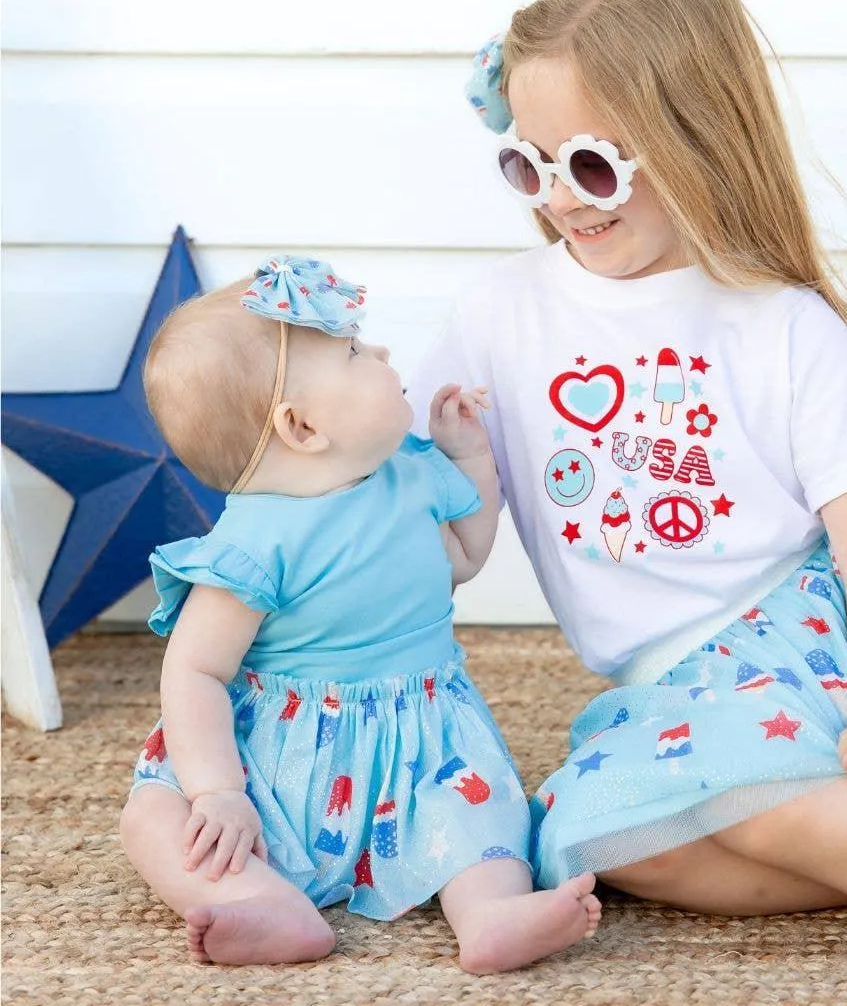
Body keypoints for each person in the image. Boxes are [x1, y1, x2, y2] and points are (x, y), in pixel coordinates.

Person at [407, 0, 847, 954]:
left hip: (808, 645)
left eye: (592, 164)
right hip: (669, 693)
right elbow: (426, 501)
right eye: (530, 164)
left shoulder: (775, 321)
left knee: (753, 800)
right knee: (599, 837)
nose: (562, 198)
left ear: (698, 142)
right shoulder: (498, 312)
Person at [119, 256, 601, 971]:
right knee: (157, 816)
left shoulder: (409, 477)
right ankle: (264, 905)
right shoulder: (250, 546)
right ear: (302, 427)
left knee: (481, 813)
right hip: (278, 764)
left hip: (425, 748)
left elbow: (464, 557)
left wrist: (470, 458)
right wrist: (218, 790)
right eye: (351, 352)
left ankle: (491, 911)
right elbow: (194, 672)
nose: (378, 352)